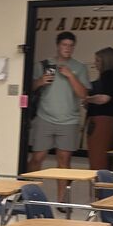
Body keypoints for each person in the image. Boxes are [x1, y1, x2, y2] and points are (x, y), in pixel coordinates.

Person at [28, 31, 91, 196]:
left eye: (71, 45)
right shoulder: (43, 64)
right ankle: (32, 194)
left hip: (69, 120)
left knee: (64, 161)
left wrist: (70, 76)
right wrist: (40, 81)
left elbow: (83, 94)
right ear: (58, 46)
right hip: (45, 117)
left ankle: (62, 199)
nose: (68, 48)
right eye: (64, 45)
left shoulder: (79, 67)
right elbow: (29, 88)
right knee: (37, 158)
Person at [85, 46, 113, 172]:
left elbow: (103, 98)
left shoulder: (108, 75)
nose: (95, 64)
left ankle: (99, 190)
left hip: (101, 121)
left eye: (98, 61)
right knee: (107, 161)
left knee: (98, 161)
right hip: (111, 121)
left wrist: (87, 99)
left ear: (106, 61)